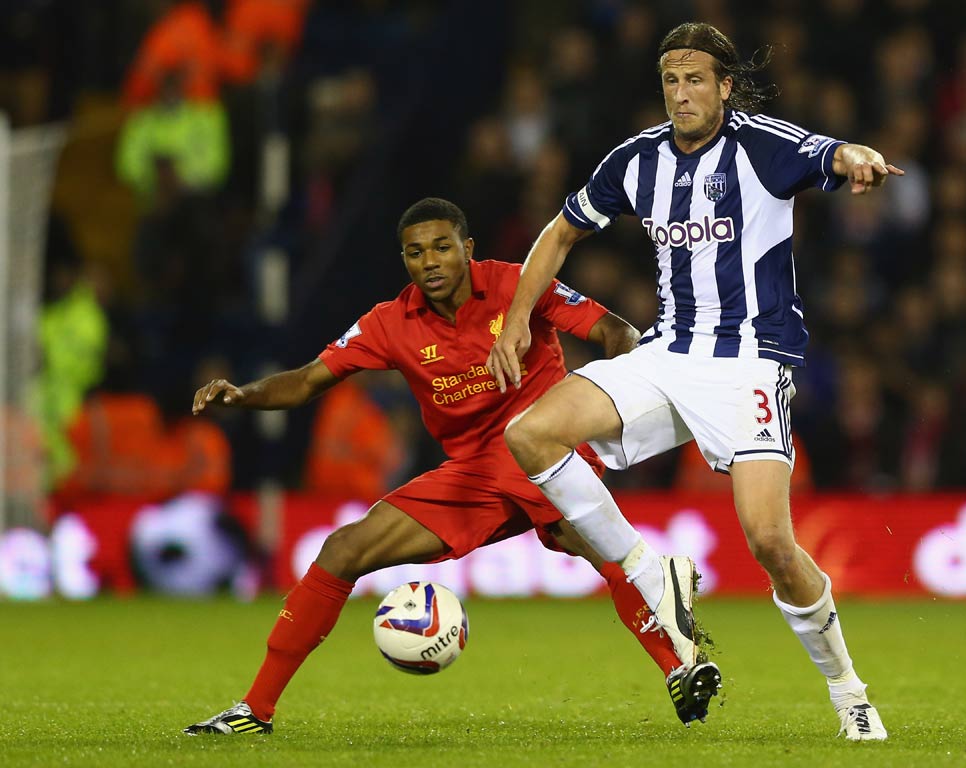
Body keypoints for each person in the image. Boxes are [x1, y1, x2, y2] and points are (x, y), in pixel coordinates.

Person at [488, 22, 902, 741]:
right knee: (529, 433)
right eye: (671, 82)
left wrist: (858, 156)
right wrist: (519, 317)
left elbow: (829, 155)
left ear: (725, 87)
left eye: (695, 81)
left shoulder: (762, 146)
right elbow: (560, 230)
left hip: (749, 358)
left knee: (770, 541)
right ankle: (653, 575)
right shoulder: (635, 160)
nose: (682, 95)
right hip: (668, 354)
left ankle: (849, 690)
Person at [183, 197, 715, 736]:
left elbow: (616, 331)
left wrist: (603, 403)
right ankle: (255, 709)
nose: (429, 261)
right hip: (475, 472)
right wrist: (242, 396)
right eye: (415, 253)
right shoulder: (391, 323)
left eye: (441, 247)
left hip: (551, 451)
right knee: (343, 550)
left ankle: (681, 667)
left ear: (467, 249)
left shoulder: (517, 286)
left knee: (591, 542)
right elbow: (305, 380)